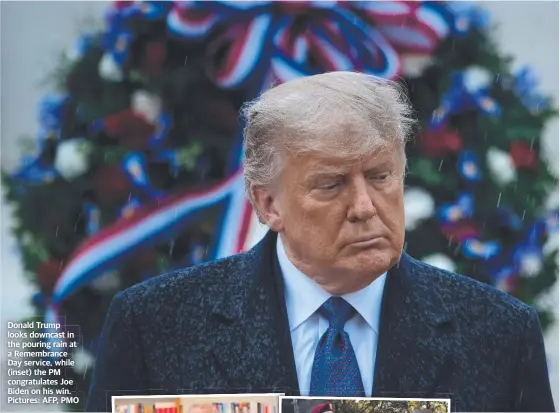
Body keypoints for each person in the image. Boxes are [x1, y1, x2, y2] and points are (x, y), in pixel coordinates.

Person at [86, 71, 555, 412]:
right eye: (331, 185)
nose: (365, 206)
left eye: (380, 176)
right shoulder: (154, 324)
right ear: (268, 205)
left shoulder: (500, 332)